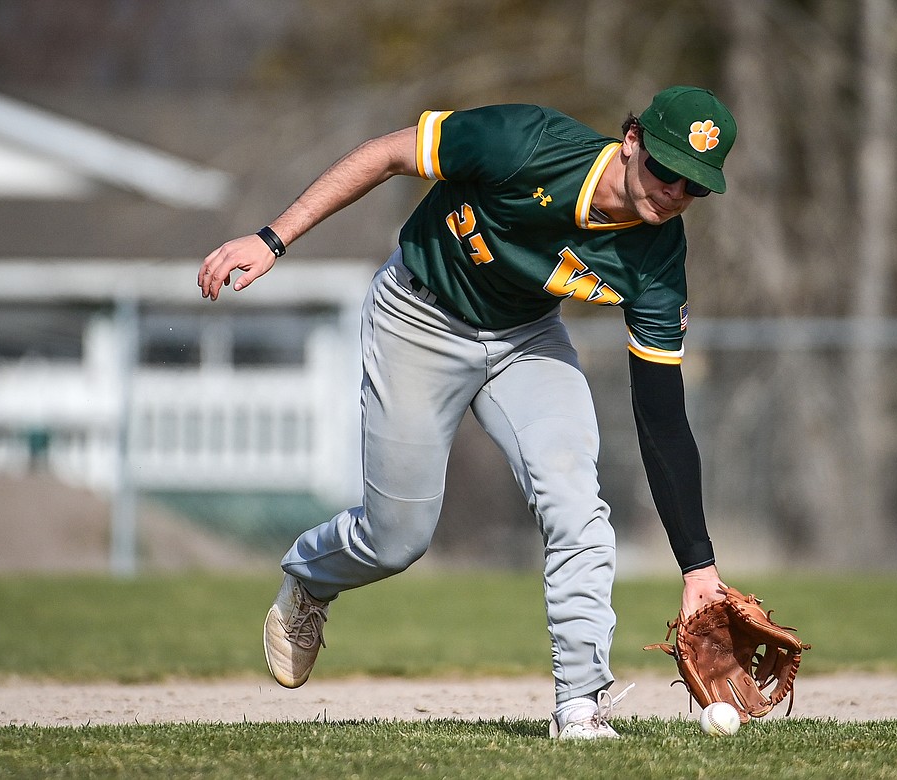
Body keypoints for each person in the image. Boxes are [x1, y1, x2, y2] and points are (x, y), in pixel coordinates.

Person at [198, 85, 737, 740]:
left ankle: (580, 707)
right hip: (418, 318)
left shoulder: (659, 257)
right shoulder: (527, 142)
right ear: (631, 141)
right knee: (397, 538)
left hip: (525, 340)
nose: (674, 192)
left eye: (694, 187)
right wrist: (272, 239)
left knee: (577, 505)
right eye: (665, 169)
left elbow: (661, 416)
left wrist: (698, 567)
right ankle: (311, 577)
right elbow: (384, 155)